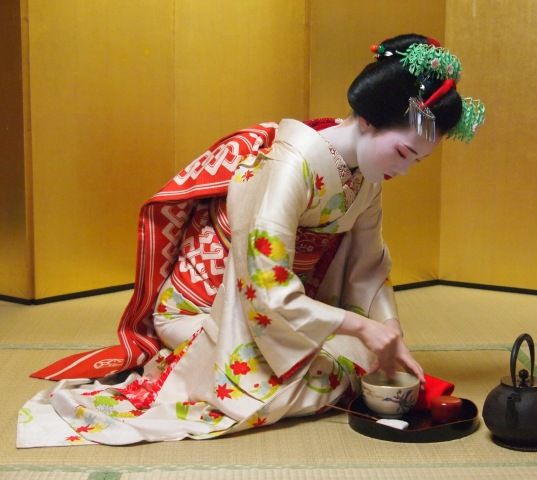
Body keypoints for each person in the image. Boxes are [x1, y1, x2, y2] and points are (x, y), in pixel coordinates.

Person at [18, 33, 484, 447]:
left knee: (364, 361)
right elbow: (266, 286)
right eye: (402, 151)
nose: (404, 169)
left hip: (276, 309)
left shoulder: (368, 178)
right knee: (293, 384)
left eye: (416, 161)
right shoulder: (290, 165)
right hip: (212, 306)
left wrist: (389, 332)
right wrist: (361, 329)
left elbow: (368, 268)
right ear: (366, 119)